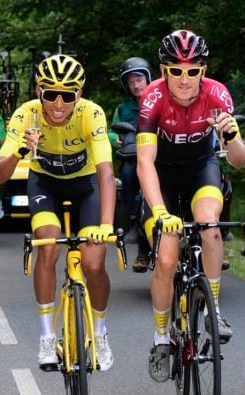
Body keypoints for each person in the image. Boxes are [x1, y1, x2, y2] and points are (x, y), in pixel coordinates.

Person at [0, 54, 118, 371]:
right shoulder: (26, 116)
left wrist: (106, 224)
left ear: (79, 94)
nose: (58, 103)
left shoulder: (92, 114)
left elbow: (105, 172)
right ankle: (47, 337)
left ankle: (100, 334)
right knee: (47, 246)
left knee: (93, 262)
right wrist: (21, 149)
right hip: (44, 183)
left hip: (85, 185)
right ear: (39, 92)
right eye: (51, 94)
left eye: (68, 95)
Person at [137, 30, 245, 382]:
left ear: (204, 70)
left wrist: (231, 137)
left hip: (202, 168)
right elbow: (144, 162)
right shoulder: (152, 98)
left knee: (209, 226)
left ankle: (213, 310)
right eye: (176, 71)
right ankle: (160, 339)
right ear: (163, 70)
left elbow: (240, 161)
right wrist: (159, 212)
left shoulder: (217, 94)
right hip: (163, 175)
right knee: (167, 257)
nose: (184, 79)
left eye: (192, 70)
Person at [109, 56, 152, 272]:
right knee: (127, 174)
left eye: (139, 80)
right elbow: (110, 131)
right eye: (131, 82)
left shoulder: (160, 98)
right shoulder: (122, 108)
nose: (136, 85)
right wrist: (113, 139)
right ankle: (134, 219)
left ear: (148, 78)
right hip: (133, 159)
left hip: (159, 158)